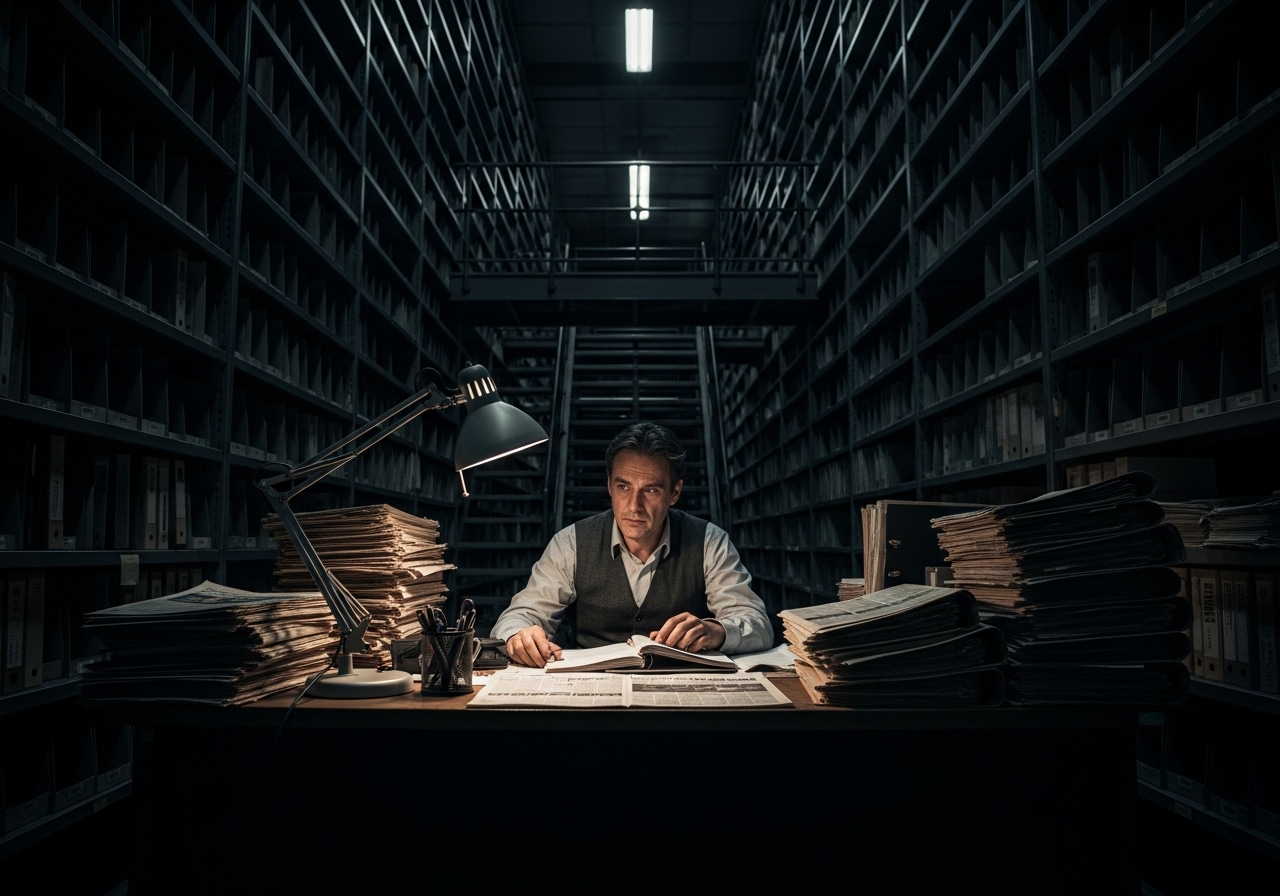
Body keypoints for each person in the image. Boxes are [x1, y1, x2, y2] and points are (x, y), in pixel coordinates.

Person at [491, 422, 773, 667]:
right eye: (623, 487)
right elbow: (520, 615)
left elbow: (757, 624)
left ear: (674, 492)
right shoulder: (571, 543)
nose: (634, 506)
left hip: (678, 698)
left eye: (650, 489)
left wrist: (718, 631)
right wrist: (519, 635)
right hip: (592, 694)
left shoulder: (710, 541)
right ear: (609, 486)